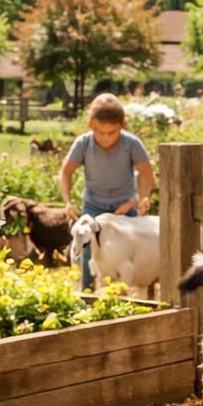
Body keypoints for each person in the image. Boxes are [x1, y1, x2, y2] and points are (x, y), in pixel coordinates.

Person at [59, 93, 155, 289]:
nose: (105, 137)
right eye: (99, 132)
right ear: (90, 125)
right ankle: (86, 293)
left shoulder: (132, 144)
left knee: (132, 250)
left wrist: (140, 198)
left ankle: (132, 292)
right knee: (88, 249)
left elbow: (146, 174)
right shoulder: (83, 143)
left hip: (125, 207)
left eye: (112, 132)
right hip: (94, 206)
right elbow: (66, 172)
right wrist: (67, 202)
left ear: (122, 125)